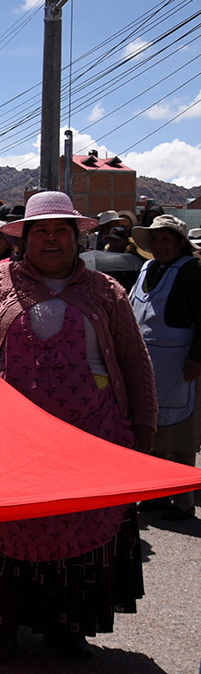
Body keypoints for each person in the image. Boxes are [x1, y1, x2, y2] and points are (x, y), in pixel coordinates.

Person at [0, 191, 156, 664]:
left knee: (79, 524)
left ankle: (68, 629)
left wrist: (143, 425)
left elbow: (135, 362)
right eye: (42, 231)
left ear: (78, 239)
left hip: (90, 438)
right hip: (10, 437)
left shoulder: (105, 291)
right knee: (10, 521)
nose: (52, 239)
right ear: (25, 237)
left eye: (62, 231)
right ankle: (3, 626)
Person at [129, 214, 201, 521]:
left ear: (180, 244)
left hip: (180, 364)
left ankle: (183, 501)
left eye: (166, 239)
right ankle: (157, 494)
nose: (159, 245)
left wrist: (197, 357)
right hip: (149, 362)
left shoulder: (191, 272)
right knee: (153, 430)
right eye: (155, 239)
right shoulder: (148, 268)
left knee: (181, 435)